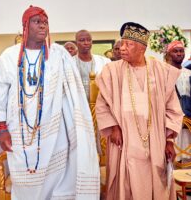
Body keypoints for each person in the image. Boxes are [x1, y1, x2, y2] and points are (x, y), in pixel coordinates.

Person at [0, 6, 99, 200]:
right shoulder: (9, 56)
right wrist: (1, 129)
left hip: (55, 131)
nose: (43, 26)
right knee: (24, 182)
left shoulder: (59, 54)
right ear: (25, 25)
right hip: (19, 132)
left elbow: (74, 93)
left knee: (57, 183)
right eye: (37, 21)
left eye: (45, 22)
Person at [95, 22, 183, 199]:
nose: (122, 48)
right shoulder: (111, 71)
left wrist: (169, 141)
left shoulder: (161, 71)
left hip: (155, 141)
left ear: (142, 48)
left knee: (156, 184)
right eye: (122, 43)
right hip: (124, 140)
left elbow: (172, 108)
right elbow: (102, 104)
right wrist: (113, 127)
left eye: (129, 44)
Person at [166, 40, 191, 162]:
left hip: (187, 119)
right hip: (171, 121)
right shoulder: (164, 72)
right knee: (173, 157)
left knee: (187, 156)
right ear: (169, 53)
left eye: (181, 51)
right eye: (175, 51)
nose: (179, 53)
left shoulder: (189, 73)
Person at [74, 29, 110, 99]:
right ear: (76, 43)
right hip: (77, 104)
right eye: (82, 40)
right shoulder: (69, 63)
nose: (86, 43)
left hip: (99, 104)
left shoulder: (104, 61)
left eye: (88, 40)